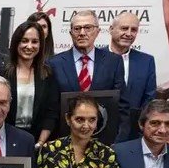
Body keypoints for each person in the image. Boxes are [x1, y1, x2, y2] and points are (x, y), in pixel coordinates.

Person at [47, 10, 130, 142]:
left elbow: (123, 107)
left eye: (88, 28)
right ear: (70, 33)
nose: (82, 33)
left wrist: (119, 141)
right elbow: (50, 109)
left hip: (104, 142)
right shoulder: (54, 63)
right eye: (77, 28)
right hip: (64, 143)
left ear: (97, 31)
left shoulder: (113, 62)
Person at [0, 21, 58, 147]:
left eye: (34, 41)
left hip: (37, 142)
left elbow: (51, 113)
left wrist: (40, 143)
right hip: (5, 140)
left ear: (40, 45)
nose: (29, 46)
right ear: (16, 42)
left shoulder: (48, 75)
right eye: (24, 40)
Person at [108, 12, 156, 139]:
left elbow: (149, 99)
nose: (129, 34)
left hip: (133, 134)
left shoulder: (146, 61)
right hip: (98, 130)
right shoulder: (95, 57)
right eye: (124, 28)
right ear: (111, 29)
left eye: (133, 30)